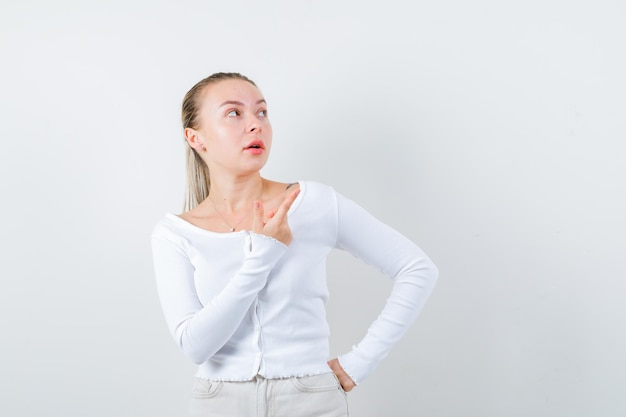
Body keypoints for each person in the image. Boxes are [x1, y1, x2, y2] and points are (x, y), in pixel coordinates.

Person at [151, 72, 439, 417]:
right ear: (196, 139)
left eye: (262, 112)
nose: (256, 125)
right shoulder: (175, 234)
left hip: (311, 399)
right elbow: (196, 346)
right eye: (234, 113)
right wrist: (264, 255)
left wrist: (359, 363)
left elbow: (417, 269)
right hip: (218, 403)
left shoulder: (313, 203)